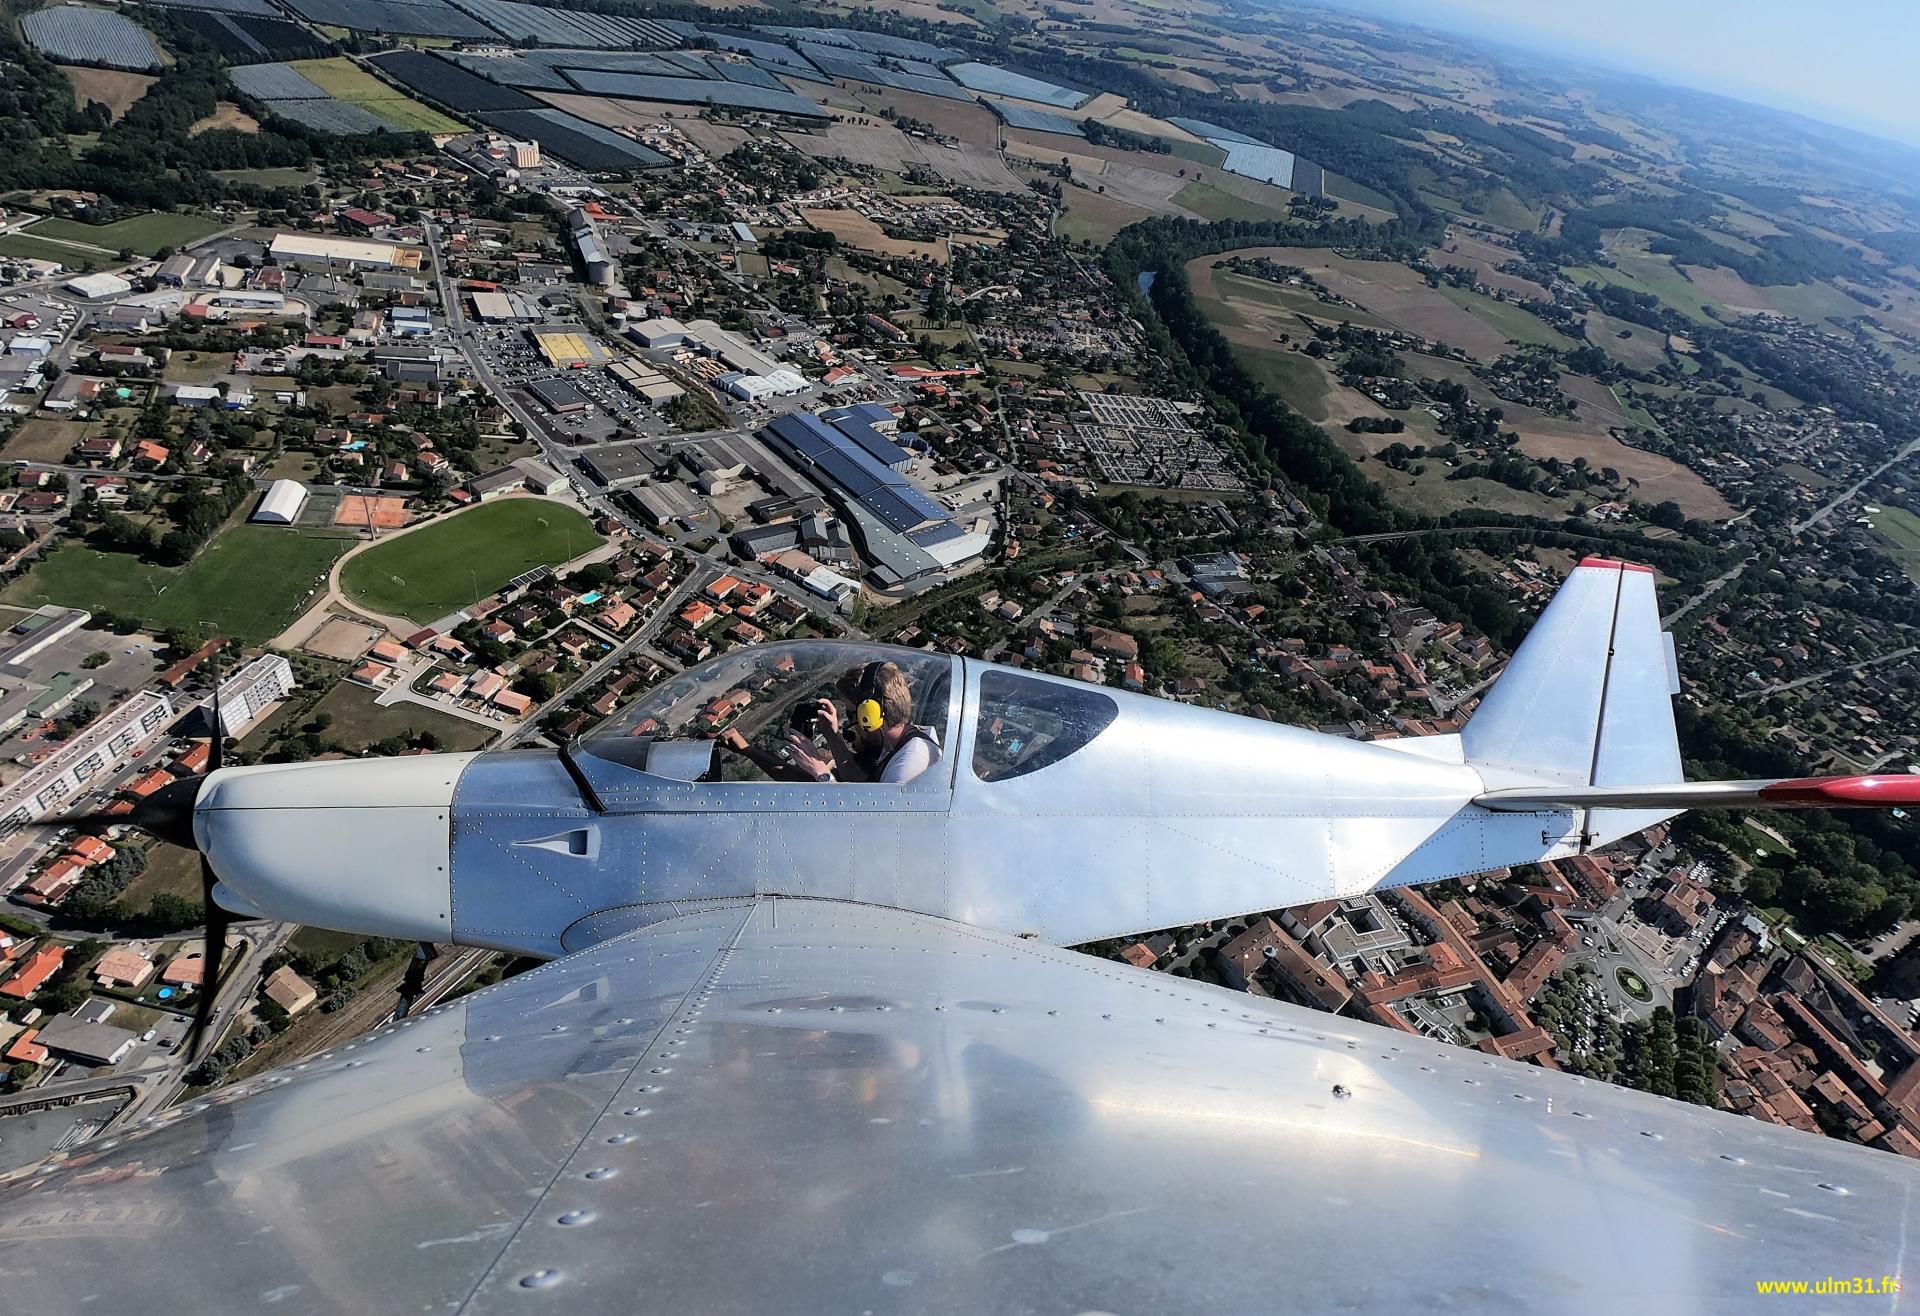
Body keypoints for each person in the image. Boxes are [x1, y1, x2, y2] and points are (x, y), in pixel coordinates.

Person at [785, 660, 941, 785]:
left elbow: (867, 821)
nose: (851, 721)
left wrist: (821, 774)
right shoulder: (899, 743)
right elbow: (858, 782)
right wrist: (832, 735)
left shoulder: (907, 768)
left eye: (850, 712)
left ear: (870, 715)